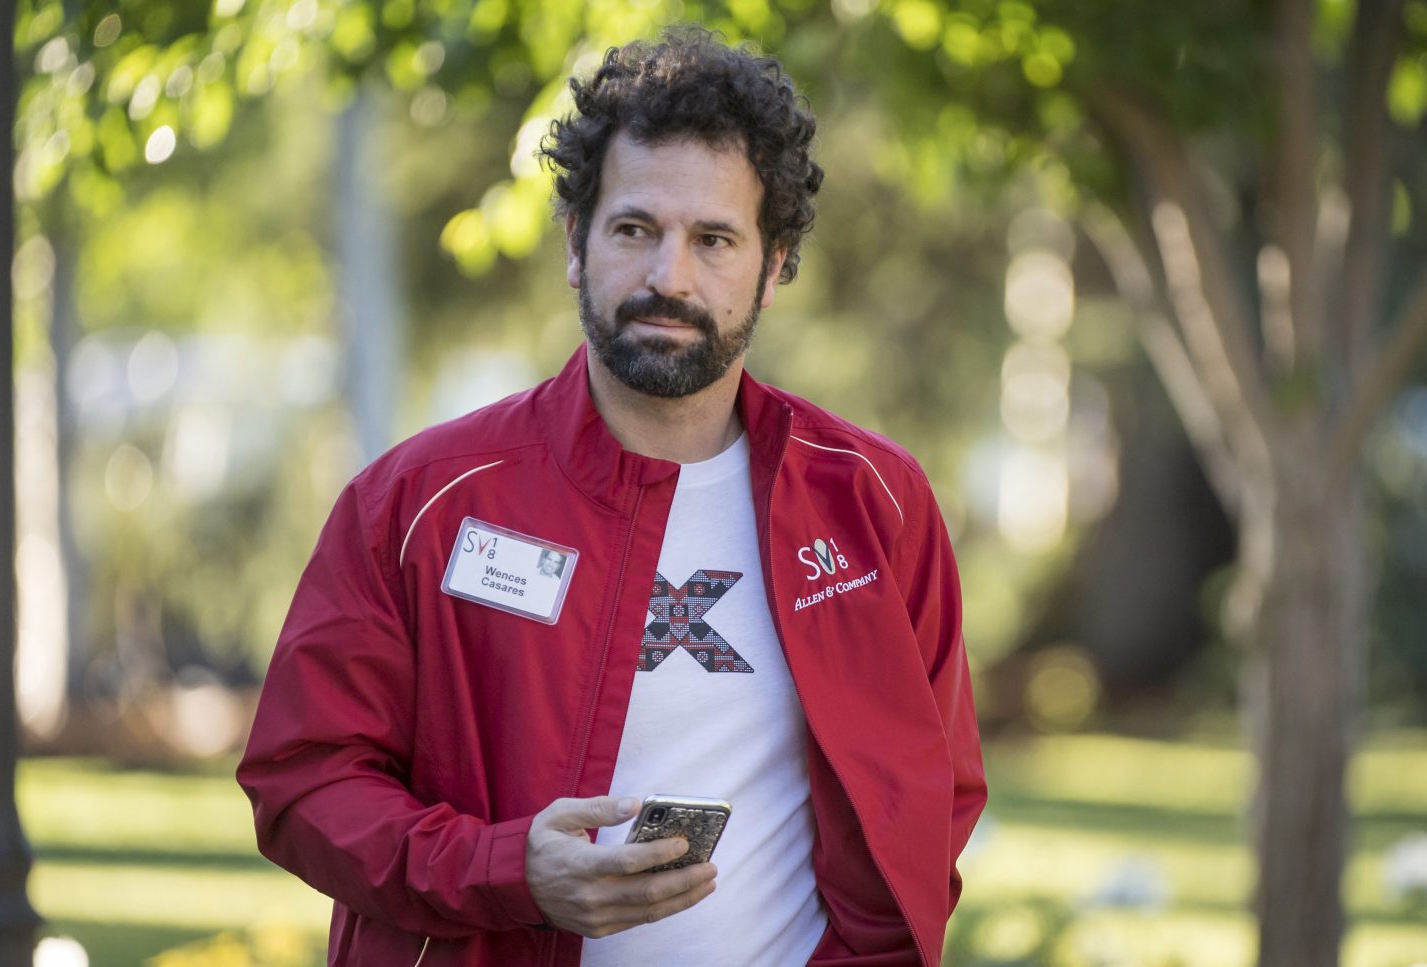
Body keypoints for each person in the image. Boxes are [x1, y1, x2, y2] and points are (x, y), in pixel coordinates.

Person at [238, 27, 986, 967]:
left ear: (776, 260)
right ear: (575, 243)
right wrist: (508, 872)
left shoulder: (874, 502)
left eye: (714, 239)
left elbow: (933, 793)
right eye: (635, 229)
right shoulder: (421, 503)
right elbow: (303, 780)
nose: (669, 277)